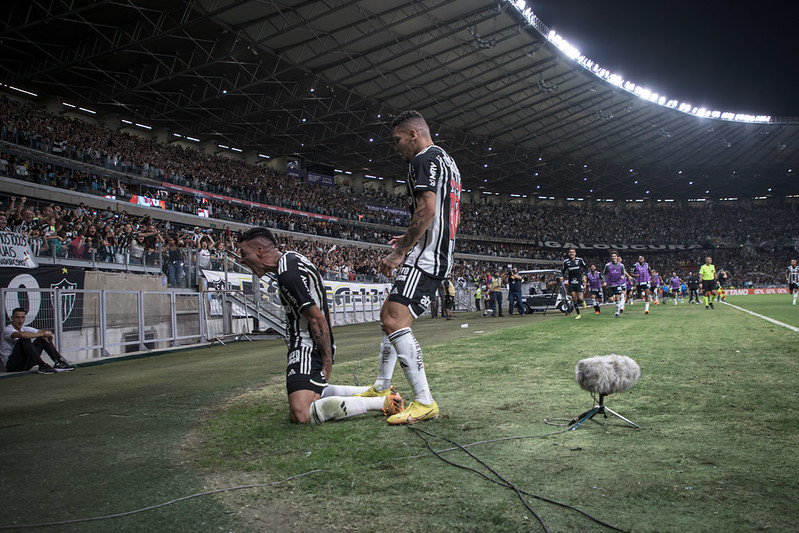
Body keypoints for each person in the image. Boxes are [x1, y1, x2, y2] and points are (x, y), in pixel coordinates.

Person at [357, 110, 461, 425]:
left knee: (394, 319)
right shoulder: (447, 160)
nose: (396, 145)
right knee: (388, 315)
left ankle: (424, 401)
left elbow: (428, 208)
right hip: (435, 250)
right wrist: (409, 237)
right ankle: (381, 387)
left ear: (413, 134)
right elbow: (440, 211)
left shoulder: (422, 160)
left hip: (426, 257)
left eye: (397, 139)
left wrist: (400, 252)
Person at [237, 227, 404, 424]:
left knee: (301, 412)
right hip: (309, 343)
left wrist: (326, 362)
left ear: (259, 250)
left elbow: (317, 319)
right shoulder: (291, 260)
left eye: (243, 253)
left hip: (307, 345)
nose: (242, 260)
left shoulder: (287, 273)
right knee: (314, 392)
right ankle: (373, 393)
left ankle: (384, 402)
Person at [1, 308, 75, 374]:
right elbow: (23, 335)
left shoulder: (24, 328)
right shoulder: (7, 330)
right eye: (17, 317)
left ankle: (59, 361)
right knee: (25, 339)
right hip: (13, 365)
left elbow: (46, 332)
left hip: (26, 364)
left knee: (42, 338)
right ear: (12, 318)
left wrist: (45, 334)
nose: (20, 320)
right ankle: (42, 365)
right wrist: (42, 334)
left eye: (22, 317)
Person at [562, 248, 587, 319]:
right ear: (569, 254)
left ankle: (583, 301)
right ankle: (578, 314)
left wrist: (584, 276)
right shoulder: (566, 262)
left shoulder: (579, 260)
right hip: (571, 283)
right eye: (570, 252)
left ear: (575, 253)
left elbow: (586, 268)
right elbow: (563, 271)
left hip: (579, 282)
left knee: (580, 298)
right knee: (574, 299)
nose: (571, 253)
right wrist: (562, 277)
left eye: (573, 252)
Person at [603, 251, 627, 318]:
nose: (614, 257)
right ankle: (617, 306)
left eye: (615, 256)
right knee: (611, 299)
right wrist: (604, 281)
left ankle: (617, 312)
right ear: (611, 257)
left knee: (617, 298)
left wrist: (622, 276)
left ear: (617, 257)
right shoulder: (607, 265)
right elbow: (604, 274)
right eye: (612, 256)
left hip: (618, 284)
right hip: (610, 284)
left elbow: (623, 273)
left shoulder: (621, 265)